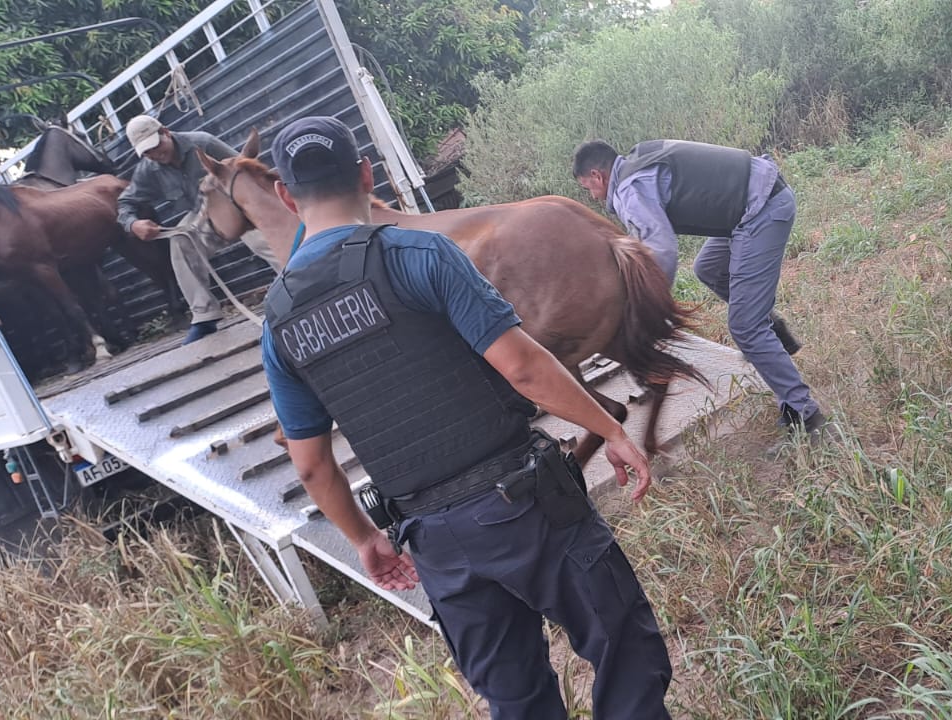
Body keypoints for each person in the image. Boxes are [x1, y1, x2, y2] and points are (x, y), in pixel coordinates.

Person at [262, 116, 674, 719]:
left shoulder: (277, 320)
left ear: (284, 195)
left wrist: (365, 538)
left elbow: (312, 466)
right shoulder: (419, 253)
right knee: (623, 651)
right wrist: (610, 428)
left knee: (515, 699)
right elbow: (522, 367)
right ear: (366, 175)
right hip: (524, 508)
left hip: (431, 541)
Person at [573, 138, 831, 441]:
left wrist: (648, 312)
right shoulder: (638, 161)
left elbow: (661, 250)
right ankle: (770, 328)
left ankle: (804, 414)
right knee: (708, 267)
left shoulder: (631, 188)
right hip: (752, 198)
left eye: (588, 188)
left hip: (762, 208)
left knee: (745, 326)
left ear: (597, 175)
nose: (592, 196)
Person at [116, 115, 280, 344]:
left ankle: (296, 283)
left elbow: (244, 167)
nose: (155, 154)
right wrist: (133, 224)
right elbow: (125, 204)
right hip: (204, 216)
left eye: (156, 145)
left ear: (166, 132)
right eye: (147, 152)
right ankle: (204, 316)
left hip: (238, 205)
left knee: (261, 239)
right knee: (180, 241)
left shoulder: (202, 142)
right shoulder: (148, 170)